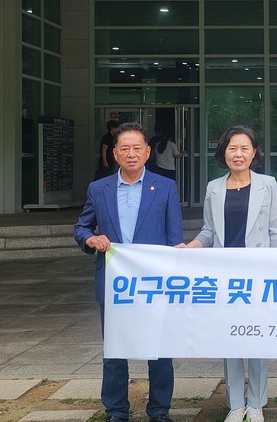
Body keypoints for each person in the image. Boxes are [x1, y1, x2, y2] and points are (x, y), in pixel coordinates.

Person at [74, 122, 183, 422]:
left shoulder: (165, 187)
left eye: (137, 148)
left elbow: (174, 237)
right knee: (114, 351)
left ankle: (159, 410)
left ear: (147, 152)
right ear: (115, 154)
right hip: (114, 282)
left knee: (159, 351)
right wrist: (91, 239)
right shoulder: (99, 189)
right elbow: (82, 227)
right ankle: (116, 410)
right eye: (125, 148)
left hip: (155, 282)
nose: (131, 154)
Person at [177, 126, 277, 422]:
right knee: (231, 337)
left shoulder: (268, 185)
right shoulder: (214, 187)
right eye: (232, 148)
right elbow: (209, 231)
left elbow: (276, 232)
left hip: (259, 274)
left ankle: (256, 403)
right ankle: (236, 404)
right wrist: (190, 246)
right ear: (223, 152)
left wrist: (275, 271)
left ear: (254, 152)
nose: (238, 154)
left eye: (244, 148)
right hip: (226, 276)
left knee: (258, 337)